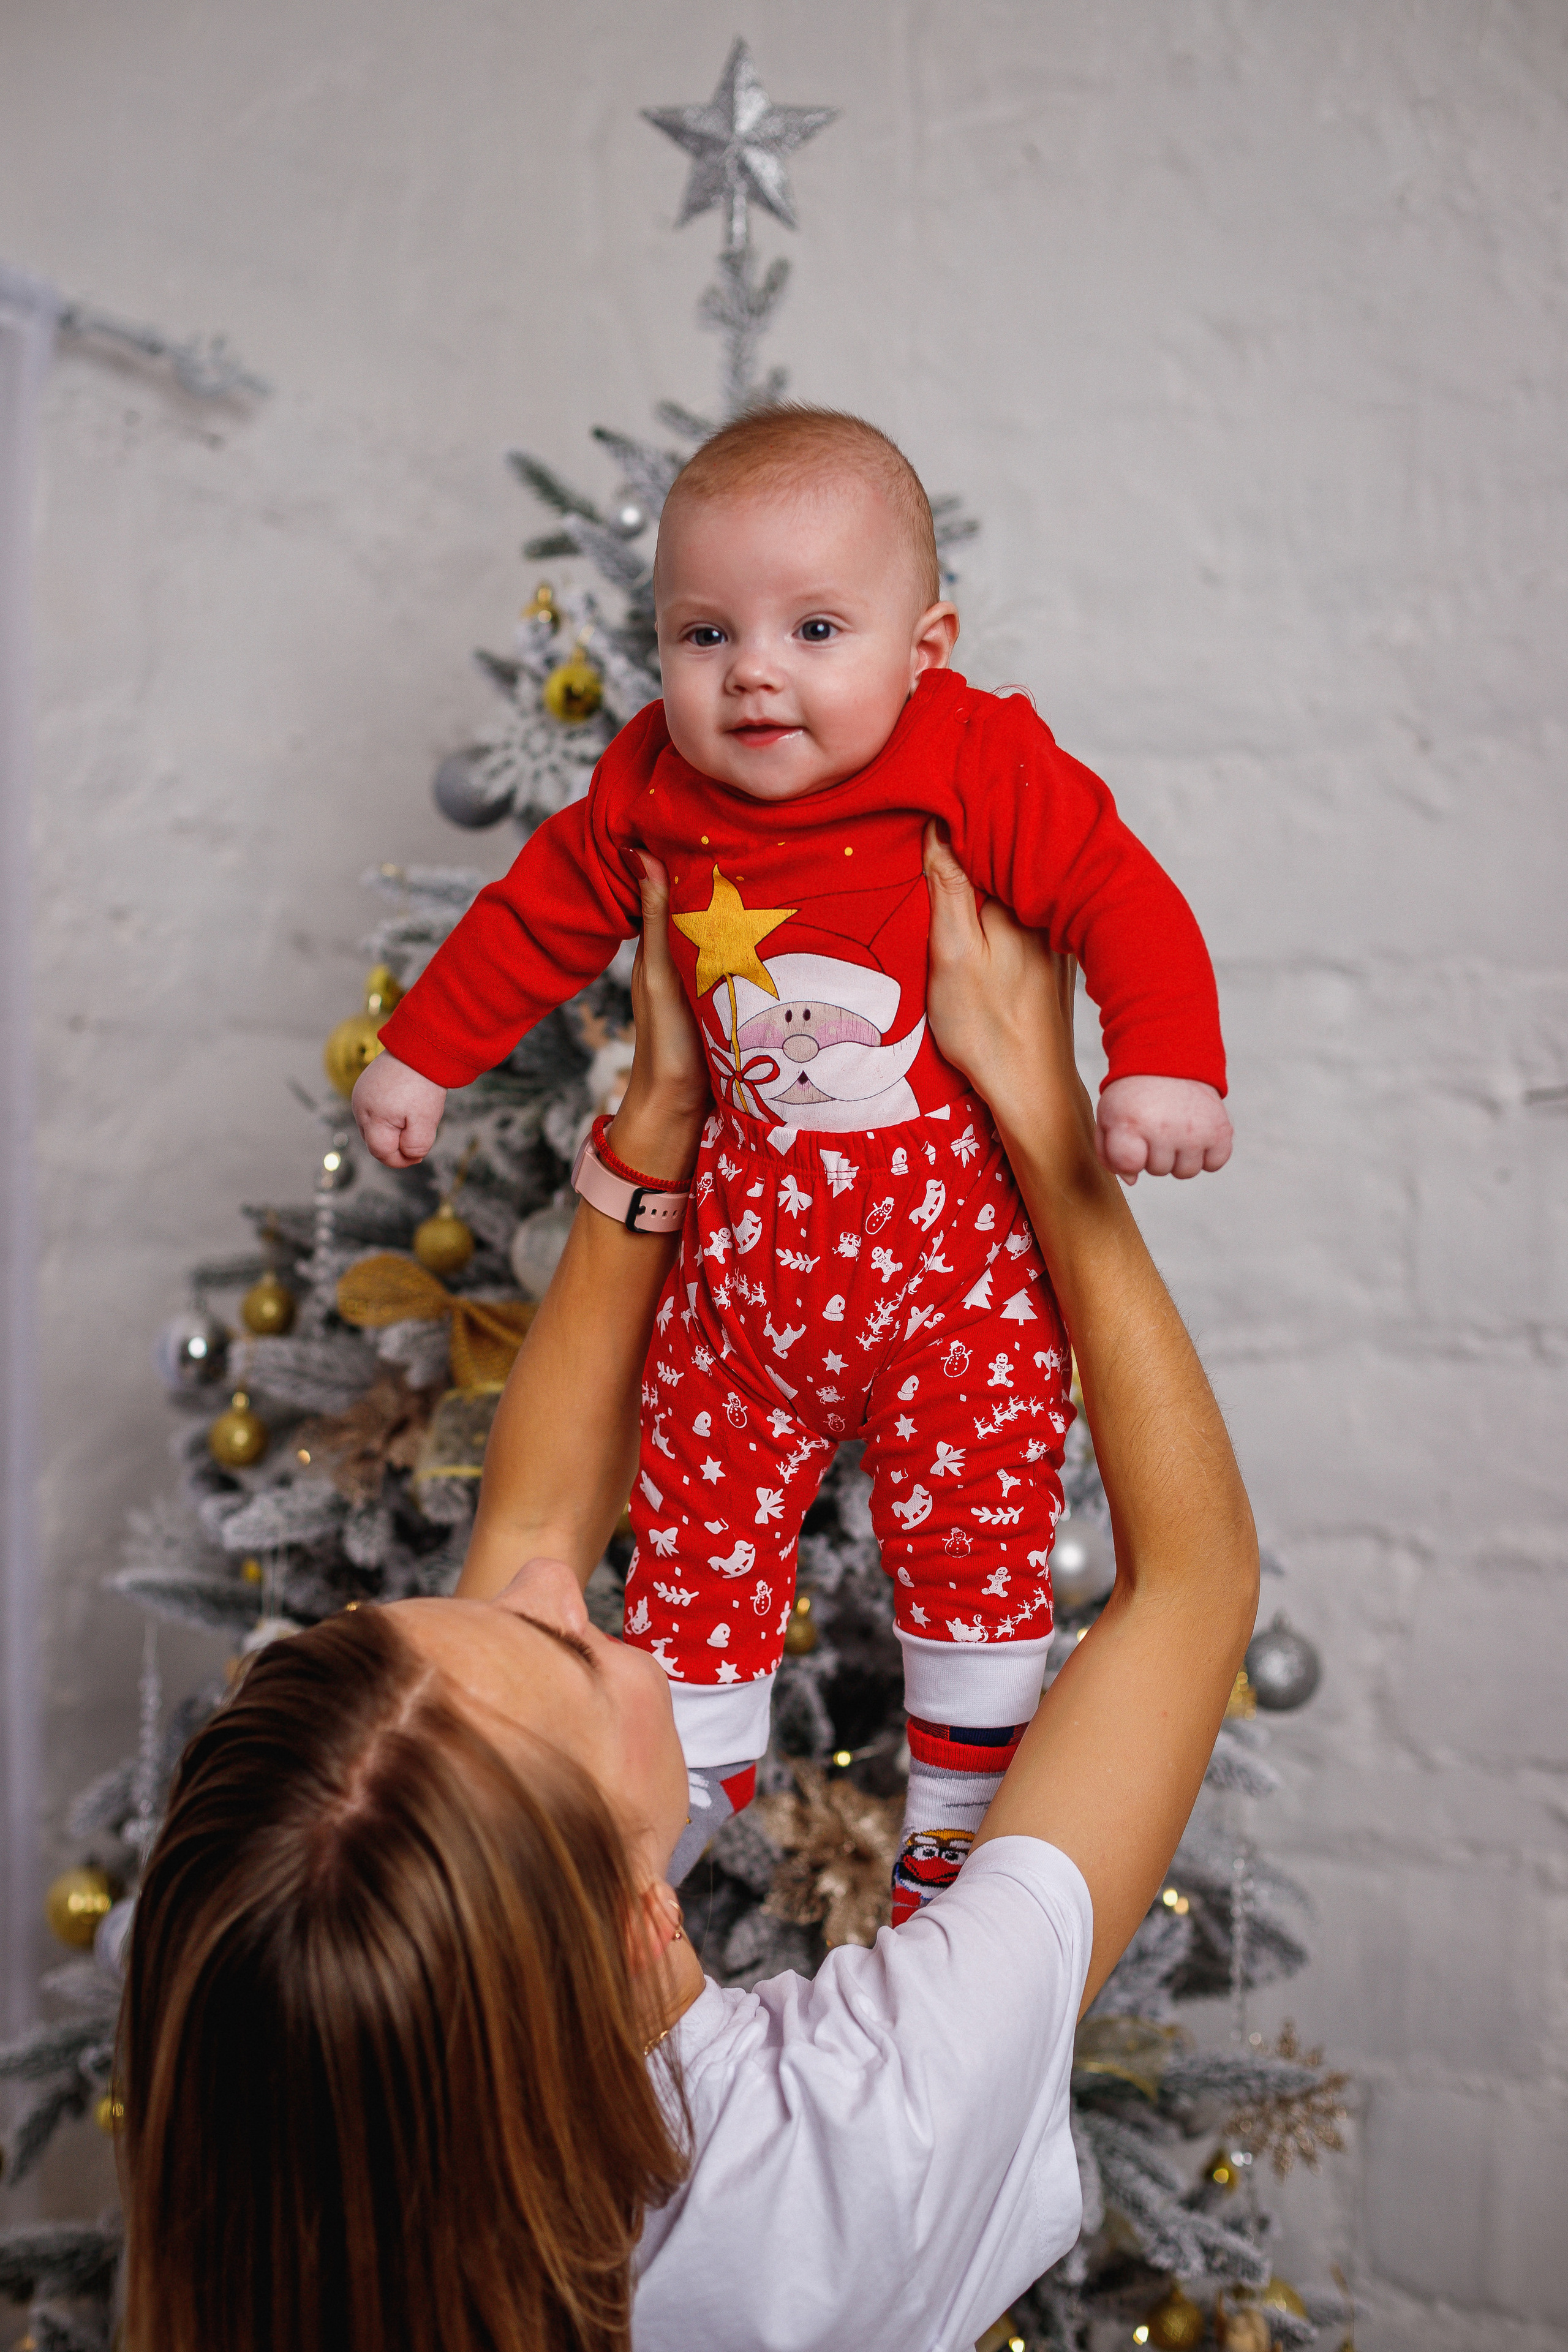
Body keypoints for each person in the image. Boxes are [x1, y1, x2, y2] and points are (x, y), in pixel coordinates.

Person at [120, 842, 1259, 2352]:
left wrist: (657, 1117)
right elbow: (1189, 1591)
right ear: (643, 1916)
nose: (544, 1571)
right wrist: (1044, 1119)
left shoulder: (319, 2136)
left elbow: (532, 1508)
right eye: (580, 1645)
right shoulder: (860, 2144)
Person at [353, 406, 1235, 1912]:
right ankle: (661, 1832)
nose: (752, 669)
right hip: (744, 1293)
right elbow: (528, 918)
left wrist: (1161, 1059)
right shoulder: (650, 790)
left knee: (977, 1553)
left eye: (815, 626)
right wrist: (426, 1051)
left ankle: (958, 1832)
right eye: (703, 634)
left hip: (949, 1295)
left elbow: (1115, 892)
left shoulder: (974, 758)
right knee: (694, 1546)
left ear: (924, 646)